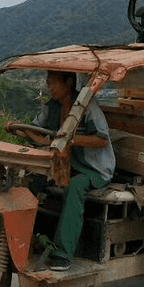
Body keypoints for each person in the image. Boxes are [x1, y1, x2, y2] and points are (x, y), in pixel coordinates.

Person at [17, 71, 115, 271]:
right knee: (32, 181)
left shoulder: (87, 106)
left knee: (75, 187)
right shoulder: (51, 107)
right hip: (65, 166)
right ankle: (23, 237)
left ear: (68, 82)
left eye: (52, 83)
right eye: (47, 82)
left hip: (92, 169)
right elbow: (35, 130)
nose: (49, 87)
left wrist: (69, 140)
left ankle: (63, 254)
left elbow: (102, 139)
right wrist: (17, 128)